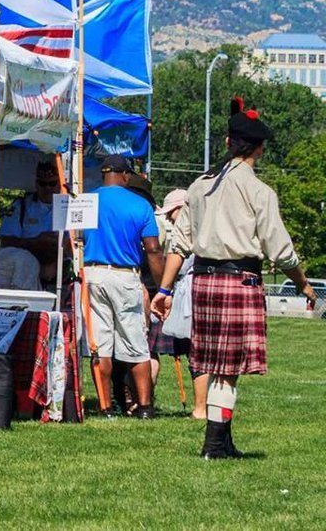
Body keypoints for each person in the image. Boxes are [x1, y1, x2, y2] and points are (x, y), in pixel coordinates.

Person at [150, 100, 316, 459]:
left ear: (228, 142)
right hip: (240, 281)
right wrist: (303, 283)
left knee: (214, 367)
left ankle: (220, 441)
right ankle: (214, 443)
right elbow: (281, 250)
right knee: (228, 370)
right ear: (259, 148)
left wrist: (164, 289)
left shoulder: (198, 187)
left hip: (204, 283)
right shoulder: (259, 192)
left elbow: (179, 244)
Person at [82, 156, 164, 418]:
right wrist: (163, 288)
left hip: (92, 274)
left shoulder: (86, 199)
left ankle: (106, 407)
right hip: (125, 275)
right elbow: (153, 249)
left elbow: (70, 240)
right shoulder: (140, 205)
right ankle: (145, 406)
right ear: (126, 176)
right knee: (136, 343)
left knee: (100, 345)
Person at [151, 187, 205, 420]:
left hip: (186, 294)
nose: (169, 218)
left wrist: (165, 287)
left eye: (171, 212)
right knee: (197, 349)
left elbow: (178, 265)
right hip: (194, 292)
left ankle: (200, 408)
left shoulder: (187, 233)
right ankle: (202, 406)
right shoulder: (206, 227)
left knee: (193, 350)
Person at [0, 164, 62, 287]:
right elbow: (6, 241)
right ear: (36, 184)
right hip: (26, 270)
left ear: (60, 183)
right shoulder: (21, 206)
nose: (47, 188)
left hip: (61, 273)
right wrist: (35, 242)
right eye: (42, 184)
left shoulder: (70, 206)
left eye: (52, 183)